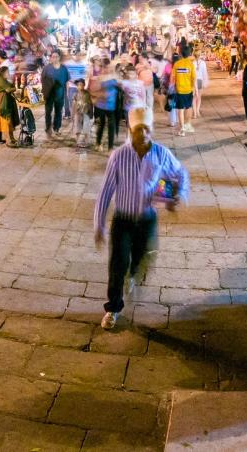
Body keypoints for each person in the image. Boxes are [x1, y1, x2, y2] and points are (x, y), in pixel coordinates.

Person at [94, 122, 189, 330]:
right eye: (139, 129)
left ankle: (133, 272)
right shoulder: (119, 156)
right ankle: (113, 308)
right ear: (131, 132)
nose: (144, 133)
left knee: (139, 258)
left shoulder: (161, 153)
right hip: (123, 220)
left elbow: (180, 172)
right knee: (117, 264)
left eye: (147, 128)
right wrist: (99, 224)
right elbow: (106, 190)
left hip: (147, 220)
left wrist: (178, 196)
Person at [41, 52, 69, 136]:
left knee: (58, 111)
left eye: (56, 56)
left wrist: (66, 93)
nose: (55, 58)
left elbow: (67, 81)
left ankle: (57, 128)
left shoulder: (64, 68)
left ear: (59, 58)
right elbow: (42, 80)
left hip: (60, 93)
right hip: (49, 93)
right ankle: (48, 127)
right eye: (53, 57)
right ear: (51, 58)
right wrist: (44, 92)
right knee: (48, 111)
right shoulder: (46, 68)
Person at [170, 49, 198, 136]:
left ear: (181, 55)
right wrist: (196, 90)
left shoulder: (177, 64)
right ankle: (187, 124)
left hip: (179, 90)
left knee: (180, 110)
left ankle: (182, 129)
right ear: (189, 55)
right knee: (189, 107)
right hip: (189, 90)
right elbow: (194, 78)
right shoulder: (191, 64)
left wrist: (172, 88)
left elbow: (172, 78)